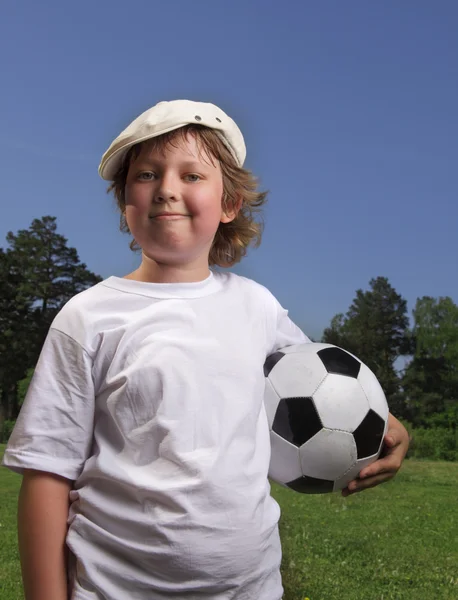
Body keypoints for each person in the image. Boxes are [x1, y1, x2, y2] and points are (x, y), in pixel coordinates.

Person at [2, 100, 410, 600]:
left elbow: (323, 384)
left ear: (230, 204)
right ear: (124, 201)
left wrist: (389, 427)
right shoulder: (88, 318)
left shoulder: (256, 307)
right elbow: (47, 472)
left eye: (192, 175)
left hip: (251, 588)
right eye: (147, 174)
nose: (167, 188)